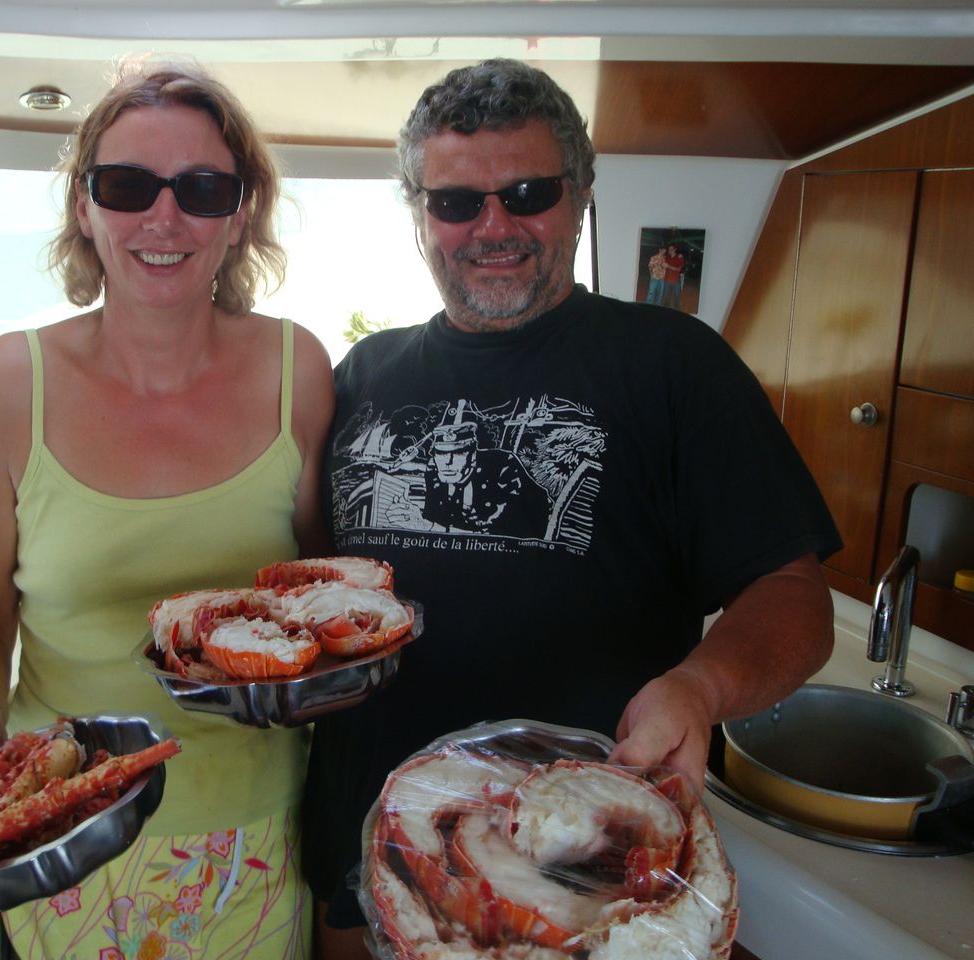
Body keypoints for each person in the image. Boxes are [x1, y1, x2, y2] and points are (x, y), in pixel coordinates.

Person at [303, 58, 840, 959]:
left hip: (587, 882)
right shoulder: (362, 373)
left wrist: (701, 687)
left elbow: (794, 595)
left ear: (581, 195)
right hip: (368, 855)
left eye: (528, 193)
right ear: (420, 215)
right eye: (456, 202)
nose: (493, 227)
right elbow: (327, 587)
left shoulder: (676, 365)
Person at [0, 61, 333, 959]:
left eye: (202, 189)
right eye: (127, 185)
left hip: (258, 831)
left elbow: (318, 597)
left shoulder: (297, 371)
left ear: (240, 214)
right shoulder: (5, 384)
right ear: (84, 206)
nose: (164, 217)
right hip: (66, 827)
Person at [663, 241, 687, 309]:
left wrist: (668, 266)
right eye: (669, 249)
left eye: (671, 249)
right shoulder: (666, 257)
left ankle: (676, 309)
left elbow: (678, 269)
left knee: (677, 296)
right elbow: (663, 264)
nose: (670, 251)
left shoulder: (679, 258)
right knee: (666, 295)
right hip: (667, 280)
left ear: (675, 249)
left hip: (676, 281)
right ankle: (667, 307)